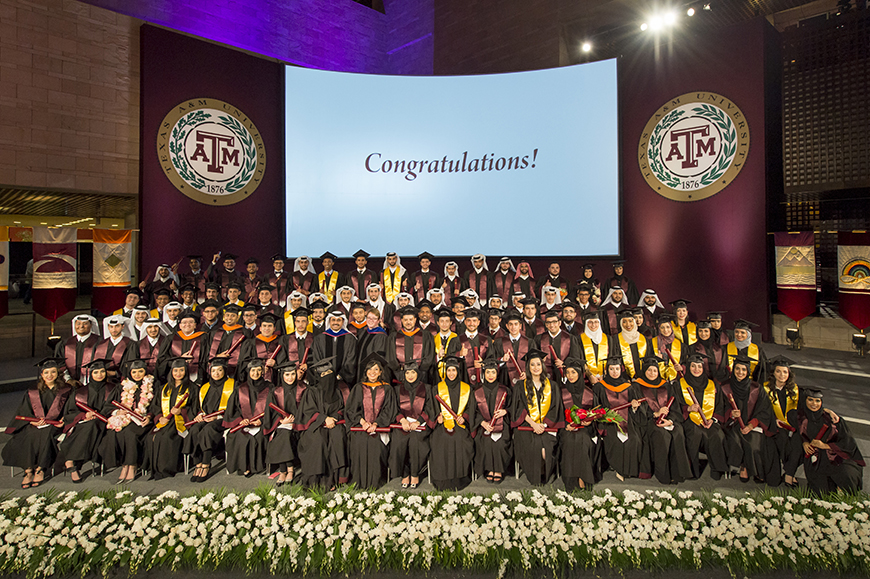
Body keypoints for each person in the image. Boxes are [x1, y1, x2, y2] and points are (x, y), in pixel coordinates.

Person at [3, 357, 72, 489]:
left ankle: (40, 469)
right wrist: (33, 421)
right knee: (27, 435)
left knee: (46, 434)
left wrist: (64, 420)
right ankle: (28, 470)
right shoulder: (33, 391)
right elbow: (25, 410)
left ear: (58, 373)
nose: (49, 375)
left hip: (55, 425)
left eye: (53, 372)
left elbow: (71, 408)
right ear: (41, 374)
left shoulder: (66, 390)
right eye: (46, 372)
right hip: (36, 424)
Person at [632, 356, 692, 485]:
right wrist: (655, 414)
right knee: (662, 435)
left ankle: (678, 473)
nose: (652, 373)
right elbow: (640, 409)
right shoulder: (637, 386)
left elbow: (675, 406)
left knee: (678, 432)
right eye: (649, 370)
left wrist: (670, 421)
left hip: (668, 420)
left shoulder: (665, 385)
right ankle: (663, 474)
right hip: (648, 421)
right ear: (644, 371)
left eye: (655, 370)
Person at [720, 354, 777, 484]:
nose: (740, 372)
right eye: (737, 369)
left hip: (753, 424)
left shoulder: (756, 388)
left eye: (744, 370)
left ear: (748, 372)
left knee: (753, 443)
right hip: (732, 424)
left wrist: (752, 424)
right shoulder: (725, 387)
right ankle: (743, 466)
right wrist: (730, 414)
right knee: (736, 438)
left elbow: (764, 410)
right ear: (733, 370)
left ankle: (756, 470)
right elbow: (719, 408)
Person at [511, 349, 563, 485]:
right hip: (526, 427)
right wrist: (533, 424)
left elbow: (555, 408)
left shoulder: (552, 386)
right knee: (534, 447)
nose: (535, 368)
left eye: (538, 364)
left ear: (543, 366)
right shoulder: (519, 386)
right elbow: (518, 408)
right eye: (532, 365)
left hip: (547, 427)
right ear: (528, 367)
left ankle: (543, 475)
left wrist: (543, 425)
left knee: (545, 450)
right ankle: (535, 477)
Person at [345, 352, 397, 489]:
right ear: (365, 371)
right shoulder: (358, 388)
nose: (372, 372)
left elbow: (389, 410)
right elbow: (351, 410)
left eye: (376, 369)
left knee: (375, 445)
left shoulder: (387, 388)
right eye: (369, 369)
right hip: (360, 427)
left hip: (379, 428)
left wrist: (376, 423)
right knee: (360, 442)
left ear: (380, 372)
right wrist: (362, 422)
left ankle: (375, 482)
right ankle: (358, 482)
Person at [799, 387, 865, 494]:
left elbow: (847, 443)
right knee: (822, 493)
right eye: (810, 400)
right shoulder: (800, 418)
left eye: (817, 401)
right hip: (817, 459)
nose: (814, 404)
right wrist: (804, 443)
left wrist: (825, 446)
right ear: (804, 400)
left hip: (838, 457)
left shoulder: (833, 420)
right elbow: (798, 434)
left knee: (847, 475)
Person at [100, 357, 156, 482]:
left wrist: (149, 416)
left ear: (145, 372)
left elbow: (156, 406)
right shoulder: (123, 387)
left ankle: (132, 465)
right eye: (134, 372)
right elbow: (108, 405)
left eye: (140, 371)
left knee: (130, 433)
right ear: (130, 373)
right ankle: (124, 465)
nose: (137, 375)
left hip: (143, 421)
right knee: (117, 432)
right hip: (125, 419)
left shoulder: (152, 386)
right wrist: (117, 411)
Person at [62, 358, 117, 482]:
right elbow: (69, 413)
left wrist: (101, 414)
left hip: (105, 421)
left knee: (92, 425)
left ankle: (72, 461)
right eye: (96, 372)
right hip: (84, 423)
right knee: (89, 425)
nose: (100, 375)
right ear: (90, 374)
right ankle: (74, 464)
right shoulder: (80, 392)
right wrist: (83, 416)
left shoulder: (113, 388)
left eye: (102, 371)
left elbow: (114, 406)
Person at [296, 356, 348, 488]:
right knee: (318, 440)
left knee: (337, 436)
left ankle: (335, 479)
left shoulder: (339, 390)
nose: (327, 377)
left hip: (335, 423)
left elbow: (343, 408)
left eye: (329, 373)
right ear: (318, 376)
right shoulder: (312, 391)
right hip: (316, 424)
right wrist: (324, 418)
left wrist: (334, 418)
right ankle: (316, 481)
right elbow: (308, 411)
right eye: (323, 374)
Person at [427, 355, 477, 490]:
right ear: (445, 372)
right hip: (441, 426)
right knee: (441, 439)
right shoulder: (437, 388)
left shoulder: (467, 388)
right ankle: (442, 480)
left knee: (460, 439)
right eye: (448, 370)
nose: (451, 373)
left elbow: (470, 408)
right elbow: (432, 407)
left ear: (458, 371)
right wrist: (438, 417)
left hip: (460, 426)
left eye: (454, 370)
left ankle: (459, 479)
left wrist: (464, 417)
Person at [679, 353, 728, 480]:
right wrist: (688, 408)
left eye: (699, 367)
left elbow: (720, 405)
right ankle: (691, 469)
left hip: (709, 419)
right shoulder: (680, 384)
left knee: (717, 434)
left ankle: (717, 468)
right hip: (689, 419)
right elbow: (675, 404)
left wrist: (713, 419)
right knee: (694, 433)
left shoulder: (712, 385)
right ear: (688, 367)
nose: (696, 369)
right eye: (693, 366)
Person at [142, 357, 193, 480]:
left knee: (166, 438)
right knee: (151, 437)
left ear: (186, 371)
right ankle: (153, 468)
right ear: (171, 372)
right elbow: (156, 406)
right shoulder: (164, 388)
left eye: (181, 370)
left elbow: (195, 407)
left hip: (180, 422)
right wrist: (160, 417)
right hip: (165, 421)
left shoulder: (192, 388)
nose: (178, 373)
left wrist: (182, 411)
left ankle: (167, 469)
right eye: (175, 371)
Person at [594, 356, 643, 481]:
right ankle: (619, 468)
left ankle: (629, 470)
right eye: (611, 369)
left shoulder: (628, 386)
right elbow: (596, 407)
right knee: (614, 440)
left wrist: (634, 407)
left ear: (621, 369)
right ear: (607, 370)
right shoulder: (600, 387)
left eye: (617, 368)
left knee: (634, 440)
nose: (615, 372)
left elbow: (635, 408)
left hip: (627, 419)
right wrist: (604, 415)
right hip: (608, 421)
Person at [186, 356, 235, 483]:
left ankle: (206, 463)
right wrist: (200, 414)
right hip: (207, 418)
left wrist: (216, 416)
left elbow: (234, 408)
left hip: (223, 419)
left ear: (224, 370)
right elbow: (201, 407)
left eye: (219, 370)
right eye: (213, 370)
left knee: (208, 429)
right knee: (195, 429)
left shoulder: (232, 385)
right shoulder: (205, 387)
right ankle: (198, 463)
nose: (216, 373)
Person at [222, 359, 270, 476]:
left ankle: (256, 466)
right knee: (240, 436)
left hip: (261, 424)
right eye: (253, 370)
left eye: (259, 370)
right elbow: (231, 409)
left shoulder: (270, 388)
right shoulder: (240, 389)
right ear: (248, 372)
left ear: (263, 372)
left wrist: (262, 421)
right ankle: (243, 466)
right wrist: (240, 420)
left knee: (259, 437)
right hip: (243, 424)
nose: (256, 373)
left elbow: (273, 408)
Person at [560, 357, 601, 490]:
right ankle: (571, 479)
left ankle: (583, 477)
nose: (570, 376)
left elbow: (596, 413)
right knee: (569, 440)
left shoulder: (589, 392)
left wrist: (590, 422)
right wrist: (566, 424)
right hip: (566, 428)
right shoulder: (561, 391)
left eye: (574, 372)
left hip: (586, 429)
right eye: (568, 372)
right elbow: (557, 413)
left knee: (582, 439)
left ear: (580, 373)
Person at [763, 356, 803, 487]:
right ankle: (788, 472)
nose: (782, 375)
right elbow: (762, 410)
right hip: (772, 425)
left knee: (799, 443)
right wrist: (774, 421)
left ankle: (789, 473)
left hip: (792, 425)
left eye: (785, 372)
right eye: (778, 371)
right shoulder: (765, 389)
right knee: (782, 439)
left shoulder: (795, 389)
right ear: (773, 373)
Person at [390, 362, 431, 488]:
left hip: (420, 425)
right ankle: (404, 473)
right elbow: (393, 408)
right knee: (399, 440)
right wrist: (402, 420)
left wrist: (419, 420)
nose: (410, 375)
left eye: (413, 372)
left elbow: (431, 408)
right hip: (403, 425)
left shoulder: (427, 388)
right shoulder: (397, 390)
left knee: (415, 440)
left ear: (418, 373)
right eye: (407, 372)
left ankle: (415, 473)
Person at [264, 361, 303, 485]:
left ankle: (284, 470)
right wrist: (280, 420)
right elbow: (270, 411)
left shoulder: (304, 389)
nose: (290, 377)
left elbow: (308, 409)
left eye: (292, 374)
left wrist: (295, 420)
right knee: (282, 433)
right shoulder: (276, 392)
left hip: (300, 424)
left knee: (283, 434)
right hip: (282, 424)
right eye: (287, 375)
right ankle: (287, 469)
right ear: (282, 376)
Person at [473, 359, 512, 484]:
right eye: (488, 372)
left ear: (497, 373)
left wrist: (505, 412)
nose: (490, 375)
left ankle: (499, 470)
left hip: (502, 425)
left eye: (493, 372)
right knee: (486, 441)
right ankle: (489, 469)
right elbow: (473, 412)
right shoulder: (477, 391)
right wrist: (482, 423)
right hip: (483, 426)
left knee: (500, 443)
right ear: (484, 374)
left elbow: (513, 407)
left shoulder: (505, 390)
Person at [158, 311, 208, 384]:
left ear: (195, 325)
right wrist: (179, 360)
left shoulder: (204, 338)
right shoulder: (170, 339)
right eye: (184, 322)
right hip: (175, 379)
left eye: (191, 322)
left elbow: (207, 357)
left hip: (198, 378)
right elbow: (162, 359)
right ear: (180, 326)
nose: (187, 324)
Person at [387, 306, 436, 379]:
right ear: (402, 320)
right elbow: (391, 358)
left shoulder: (425, 335)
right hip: (400, 377)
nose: (408, 322)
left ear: (415, 320)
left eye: (411, 319)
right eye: (405, 320)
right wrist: (400, 373)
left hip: (421, 376)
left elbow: (429, 356)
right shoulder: (394, 337)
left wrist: (419, 372)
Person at [312, 310, 357, 383]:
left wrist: (340, 375)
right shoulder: (320, 338)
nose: (335, 322)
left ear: (343, 322)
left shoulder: (350, 338)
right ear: (329, 321)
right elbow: (317, 358)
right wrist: (325, 374)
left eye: (339, 320)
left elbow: (351, 360)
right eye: (333, 320)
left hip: (342, 380)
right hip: (324, 380)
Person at [239, 313, 285, 384]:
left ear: (274, 328)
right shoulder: (250, 343)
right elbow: (244, 362)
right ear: (260, 328)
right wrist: (257, 366)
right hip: (255, 380)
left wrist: (276, 364)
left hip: (275, 379)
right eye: (264, 326)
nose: (267, 328)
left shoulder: (280, 342)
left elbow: (285, 361)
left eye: (270, 326)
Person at [55, 314, 100, 381]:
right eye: (78, 323)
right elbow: (60, 364)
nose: (81, 326)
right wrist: (68, 380)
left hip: (92, 382)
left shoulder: (99, 342)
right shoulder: (66, 343)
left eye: (85, 324)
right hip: (70, 384)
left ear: (91, 325)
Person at [536, 310, 579, 379]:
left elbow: (575, 359)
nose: (552, 325)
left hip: (564, 375)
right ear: (546, 325)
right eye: (549, 322)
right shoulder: (539, 338)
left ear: (559, 323)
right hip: (545, 375)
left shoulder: (570, 338)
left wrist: (564, 363)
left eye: (554, 322)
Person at [355, 308, 390, 383]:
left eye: (374, 318)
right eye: (369, 318)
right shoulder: (363, 332)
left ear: (379, 320)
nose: (371, 320)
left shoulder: (381, 336)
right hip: (360, 369)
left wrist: (371, 373)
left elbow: (378, 357)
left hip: (371, 374)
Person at [612, 310, 649, 379]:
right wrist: (624, 377)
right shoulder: (616, 339)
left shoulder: (643, 338)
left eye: (630, 321)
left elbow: (647, 357)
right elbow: (616, 358)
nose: (628, 324)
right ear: (621, 324)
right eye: (624, 322)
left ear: (634, 322)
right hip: (624, 378)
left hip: (644, 376)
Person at [499, 310, 530, 386]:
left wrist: (528, 373)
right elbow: (493, 360)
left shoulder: (529, 342)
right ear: (507, 326)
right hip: (505, 380)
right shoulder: (499, 343)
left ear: (520, 326)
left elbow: (533, 362)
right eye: (511, 324)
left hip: (524, 379)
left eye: (516, 324)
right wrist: (502, 360)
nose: (513, 327)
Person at [649, 314, 684, 382]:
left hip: (676, 380)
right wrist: (656, 359)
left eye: (668, 327)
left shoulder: (680, 344)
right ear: (659, 329)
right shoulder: (652, 343)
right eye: (662, 327)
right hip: (657, 378)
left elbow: (684, 361)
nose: (665, 330)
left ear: (671, 328)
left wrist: (682, 368)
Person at [579, 312, 608, 385]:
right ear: (586, 324)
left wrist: (603, 375)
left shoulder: (608, 339)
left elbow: (611, 358)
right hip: (587, 379)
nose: (593, 325)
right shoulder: (579, 339)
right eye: (590, 322)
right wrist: (590, 375)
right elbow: (580, 359)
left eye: (596, 322)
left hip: (605, 378)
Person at [433, 309, 460, 382]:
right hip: (436, 376)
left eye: (447, 321)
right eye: (442, 321)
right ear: (438, 323)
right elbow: (429, 358)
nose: (444, 324)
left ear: (451, 323)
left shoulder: (457, 338)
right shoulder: (433, 339)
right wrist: (438, 356)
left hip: (453, 376)